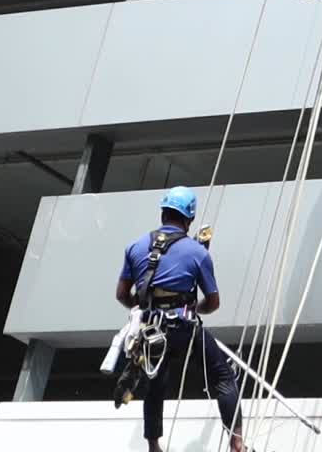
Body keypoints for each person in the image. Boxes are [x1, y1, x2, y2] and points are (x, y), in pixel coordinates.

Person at [116, 186, 244, 452]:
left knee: (155, 383)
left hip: (150, 328)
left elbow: (122, 295)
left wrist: (144, 307)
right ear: (189, 218)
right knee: (222, 375)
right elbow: (213, 303)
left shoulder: (135, 247)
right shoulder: (197, 253)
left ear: (163, 213)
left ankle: (154, 447)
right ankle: (237, 444)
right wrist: (195, 308)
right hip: (183, 327)